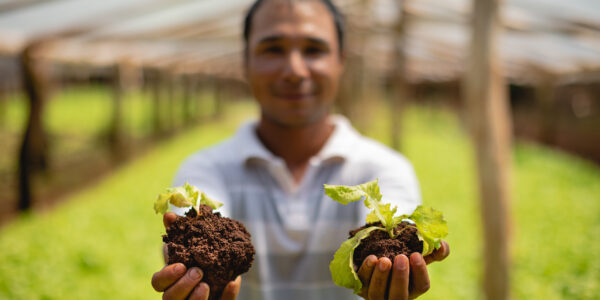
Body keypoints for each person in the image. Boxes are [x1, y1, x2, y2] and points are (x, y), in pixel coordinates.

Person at [150, 0, 450, 299]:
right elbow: (194, 218)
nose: (294, 70)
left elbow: (402, 219)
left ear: (340, 61)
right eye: (273, 49)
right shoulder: (206, 167)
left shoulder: (384, 167)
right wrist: (191, 255)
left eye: (314, 50)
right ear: (245, 61)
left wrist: (406, 247)